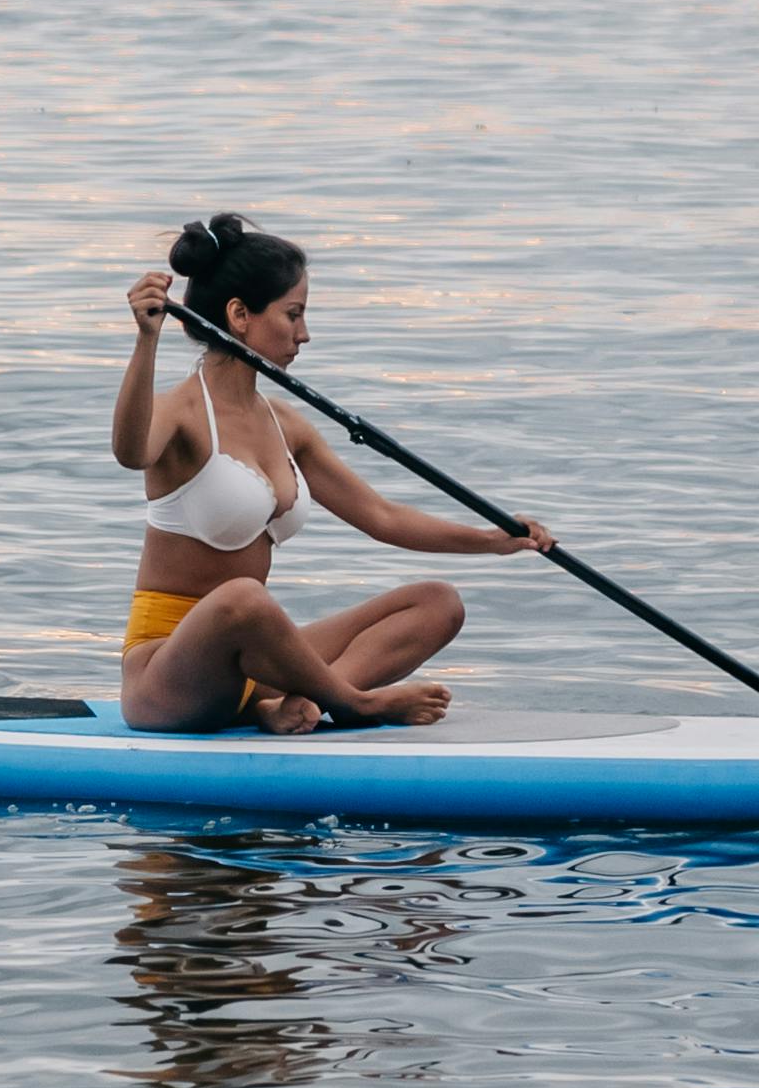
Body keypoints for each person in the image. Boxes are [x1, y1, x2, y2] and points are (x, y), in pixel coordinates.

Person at [111, 212, 550, 734]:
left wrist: (490, 540)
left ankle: (302, 705)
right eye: (292, 314)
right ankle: (355, 702)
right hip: (169, 677)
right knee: (243, 598)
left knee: (437, 602)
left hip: (253, 669)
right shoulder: (180, 413)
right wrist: (146, 341)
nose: (305, 334)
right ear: (239, 314)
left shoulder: (285, 423)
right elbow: (131, 451)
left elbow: (382, 516)